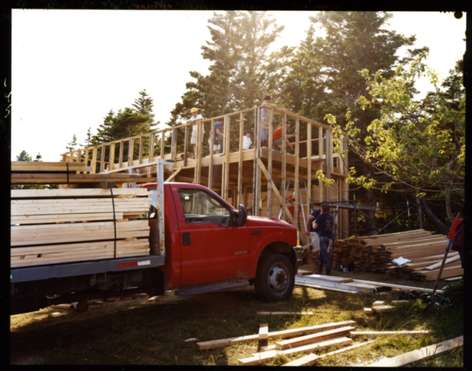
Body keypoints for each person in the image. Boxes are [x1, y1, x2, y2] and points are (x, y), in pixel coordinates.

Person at [315, 202, 335, 275]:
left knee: (324, 254)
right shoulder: (331, 217)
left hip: (322, 237)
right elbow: (333, 226)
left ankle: (328, 271)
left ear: (322, 209)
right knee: (323, 254)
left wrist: (313, 223)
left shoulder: (320, 216)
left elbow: (315, 226)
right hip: (330, 237)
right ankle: (319, 269)